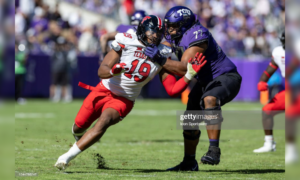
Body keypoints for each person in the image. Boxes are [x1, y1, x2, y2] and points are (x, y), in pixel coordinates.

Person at [55, 15, 207, 170]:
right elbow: (102, 70)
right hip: (104, 89)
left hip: (124, 99)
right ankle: (81, 140)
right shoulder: (126, 40)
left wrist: (189, 75)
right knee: (78, 127)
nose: (155, 38)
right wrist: (114, 70)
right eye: (152, 34)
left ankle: (66, 157)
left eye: (159, 35)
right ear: (143, 31)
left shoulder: (162, 53)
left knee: (104, 120)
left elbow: (172, 89)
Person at [144, 6, 242, 171]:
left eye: (174, 26)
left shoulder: (198, 34)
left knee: (209, 100)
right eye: (169, 26)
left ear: (185, 24)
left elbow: (184, 68)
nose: (171, 30)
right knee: (190, 119)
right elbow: (163, 47)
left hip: (226, 77)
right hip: (205, 81)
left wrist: (159, 58)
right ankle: (189, 162)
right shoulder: (173, 34)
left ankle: (214, 150)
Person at [253, 31, 285, 153]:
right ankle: (269, 143)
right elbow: (269, 70)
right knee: (267, 110)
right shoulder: (278, 52)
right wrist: (262, 81)